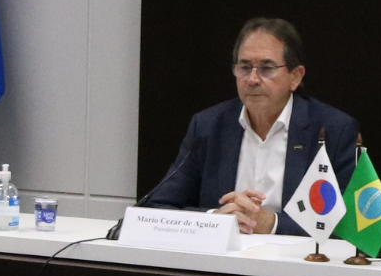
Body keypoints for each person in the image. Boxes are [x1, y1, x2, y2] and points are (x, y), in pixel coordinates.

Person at [146, 17, 358, 235]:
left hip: (296, 256)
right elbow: (158, 206)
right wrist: (215, 219)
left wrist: (272, 224)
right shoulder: (209, 126)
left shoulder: (332, 130)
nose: (253, 79)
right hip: (224, 255)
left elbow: (350, 223)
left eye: (267, 68)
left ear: (295, 77)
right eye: (245, 67)